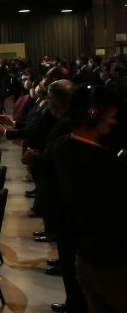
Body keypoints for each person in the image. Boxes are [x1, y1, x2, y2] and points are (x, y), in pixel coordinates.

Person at [54, 85, 126, 313]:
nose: (114, 124)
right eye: (111, 117)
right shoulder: (105, 164)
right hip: (114, 263)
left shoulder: (62, 146)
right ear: (92, 116)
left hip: (85, 257)